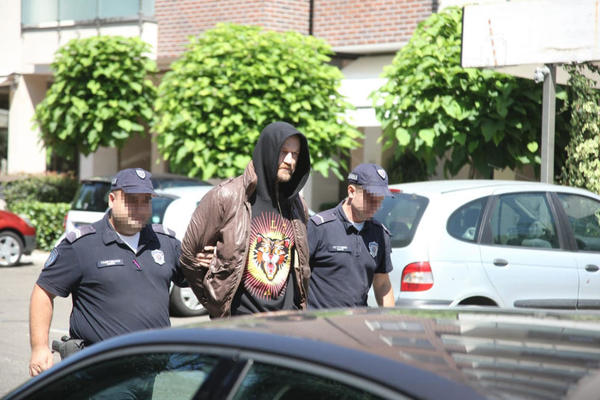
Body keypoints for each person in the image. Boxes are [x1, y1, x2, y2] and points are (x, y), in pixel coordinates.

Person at [29, 168, 185, 377]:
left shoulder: (164, 242)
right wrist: (39, 347)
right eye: (131, 200)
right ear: (112, 200)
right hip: (101, 371)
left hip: (152, 368)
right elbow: (43, 291)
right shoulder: (82, 245)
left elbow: (197, 281)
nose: (139, 208)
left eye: (145, 201)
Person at [180, 121, 311, 318]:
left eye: (295, 154)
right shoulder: (227, 197)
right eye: (283, 152)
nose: (290, 161)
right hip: (241, 323)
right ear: (268, 151)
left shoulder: (297, 205)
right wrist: (215, 303)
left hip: (287, 321)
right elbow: (189, 258)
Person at [308, 163, 394, 309]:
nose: (376, 206)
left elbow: (382, 283)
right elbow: (296, 274)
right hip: (321, 320)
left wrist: (391, 318)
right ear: (351, 191)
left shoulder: (379, 233)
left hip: (357, 321)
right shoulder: (320, 227)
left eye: (380, 200)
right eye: (371, 198)